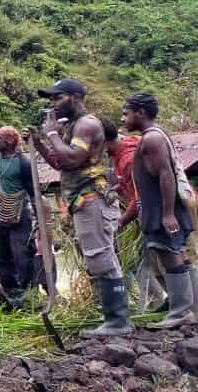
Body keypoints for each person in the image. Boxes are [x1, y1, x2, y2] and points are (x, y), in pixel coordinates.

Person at [32, 79, 128, 337]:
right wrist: (41, 143)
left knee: (100, 256)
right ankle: (112, 315)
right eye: (51, 99)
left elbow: (73, 156)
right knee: (96, 257)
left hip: (93, 198)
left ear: (75, 97)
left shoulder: (87, 124)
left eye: (57, 98)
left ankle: (118, 320)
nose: (52, 104)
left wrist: (52, 134)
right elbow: (62, 163)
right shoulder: (72, 127)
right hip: (81, 201)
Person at [122, 92, 195, 329]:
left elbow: (165, 174)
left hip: (165, 209)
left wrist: (167, 213)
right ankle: (191, 309)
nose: (123, 118)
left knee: (170, 254)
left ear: (141, 113)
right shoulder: (154, 136)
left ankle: (180, 312)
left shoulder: (152, 139)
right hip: (165, 207)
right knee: (179, 256)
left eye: (127, 113)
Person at [104, 120, 167, 312]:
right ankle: (166, 304)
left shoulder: (129, 157)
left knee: (168, 260)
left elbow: (140, 194)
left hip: (158, 212)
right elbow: (132, 185)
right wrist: (119, 187)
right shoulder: (122, 153)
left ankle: (186, 308)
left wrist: (122, 221)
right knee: (151, 263)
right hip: (147, 212)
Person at [0, 126, 36, 300]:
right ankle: (10, 291)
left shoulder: (23, 163)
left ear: (9, 141)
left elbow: (33, 191)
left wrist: (39, 219)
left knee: (22, 254)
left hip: (19, 217)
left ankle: (28, 292)